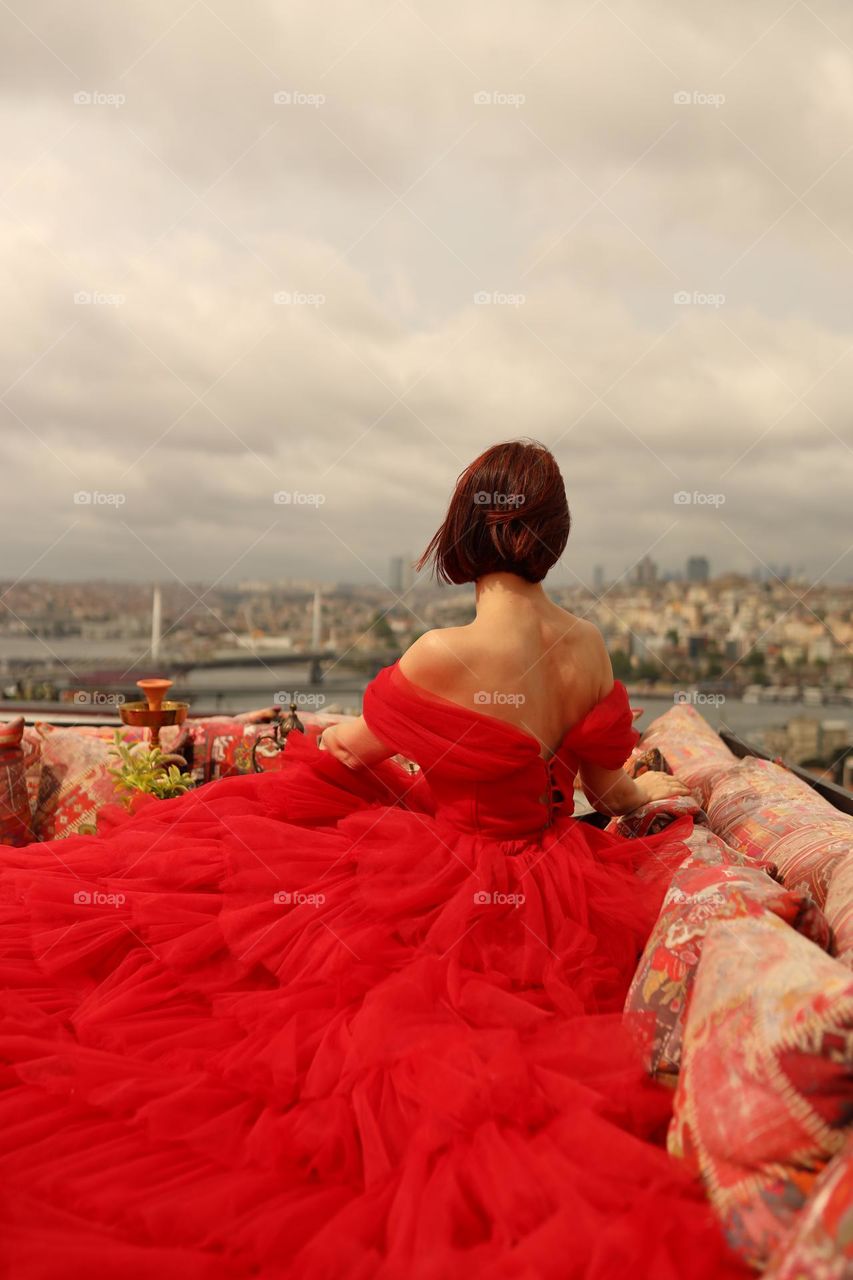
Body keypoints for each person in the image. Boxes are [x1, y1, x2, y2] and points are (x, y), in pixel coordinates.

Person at [0, 441, 751, 1279]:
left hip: (446, 878)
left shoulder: (441, 653)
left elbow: (351, 753)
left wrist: (327, 744)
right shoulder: (588, 649)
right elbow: (610, 794)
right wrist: (666, 780)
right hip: (559, 888)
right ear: (553, 536)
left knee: (243, 953)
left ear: (466, 528)